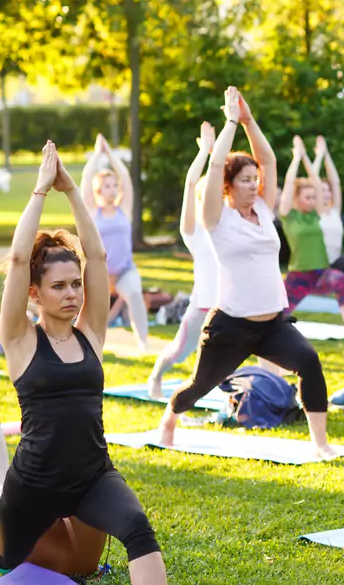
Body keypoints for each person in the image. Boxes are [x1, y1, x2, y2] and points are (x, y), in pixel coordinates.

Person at [0, 142, 166, 583]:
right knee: (17, 565)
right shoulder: (19, 340)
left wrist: (73, 190)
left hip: (93, 474)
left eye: (76, 285)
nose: (72, 293)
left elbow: (99, 257)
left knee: (136, 531)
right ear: (35, 293)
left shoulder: (91, 332)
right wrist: (39, 192)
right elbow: (17, 261)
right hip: (33, 487)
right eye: (58, 286)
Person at [157, 87, 337, 457]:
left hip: (272, 324)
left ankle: (321, 444)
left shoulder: (265, 212)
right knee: (198, 386)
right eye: (245, 180)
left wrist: (249, 121)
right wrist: (228, 123)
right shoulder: (216, 219)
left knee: (308, 361)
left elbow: (268, 162)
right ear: (227, 185)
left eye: (255, 180)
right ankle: (169, 418)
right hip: (231, 325)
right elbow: (214, 165)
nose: (254, 185)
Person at [148, 122, 220, 399]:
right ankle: (156, 376)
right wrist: (205, 153)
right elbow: (191, 184)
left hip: (229, 307)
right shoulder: (194, 232)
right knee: (179, 351)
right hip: (202, 307)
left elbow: (222, 178)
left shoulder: (227, 226)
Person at [278, 135, 344, 334]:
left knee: (339, 279)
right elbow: (288, 184)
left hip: (322, 273)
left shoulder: (317, 214)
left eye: (315, 197)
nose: (313, 200)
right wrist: (297, 158)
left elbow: (318, 183)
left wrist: (309, 158)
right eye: (308, 197)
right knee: (280, 311)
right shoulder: (289, 215)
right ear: (297, 198)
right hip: (299, 274)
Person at [81, 133, 148, 351]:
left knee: (136, 295)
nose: (113, 189)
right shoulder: (92, 211)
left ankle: (143, 342)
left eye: (114, 185)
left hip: (124, 271)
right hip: (99, 273)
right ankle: (90, 345)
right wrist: (97, 154)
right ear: (99, 191)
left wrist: (110, 154)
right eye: (107, 186)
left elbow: (126, 177)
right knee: (91, 311)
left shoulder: (124, 209)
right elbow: (86, 179)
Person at [313, 135, 344, 306]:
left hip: (334, 264)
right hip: (317, 268)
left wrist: (326, 155)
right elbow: (312, 180)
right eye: (322, 191)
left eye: (328, 191)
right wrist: (318, 156)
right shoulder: (316, 212)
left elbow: (335, 182)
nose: (326, 193)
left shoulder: (334, 211)